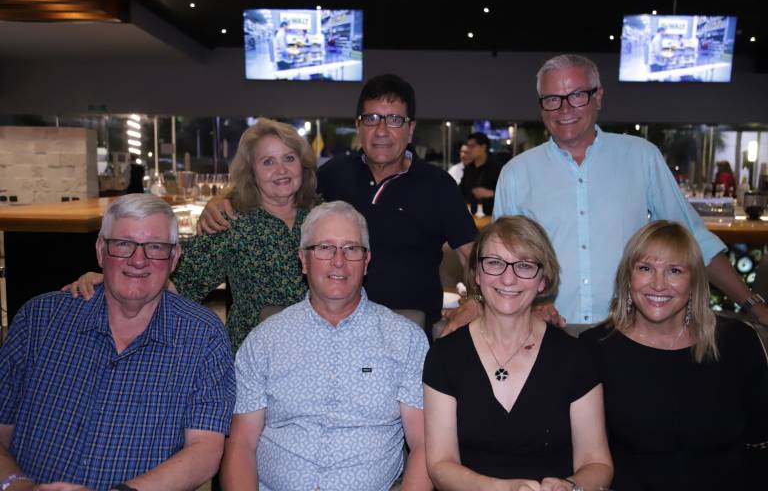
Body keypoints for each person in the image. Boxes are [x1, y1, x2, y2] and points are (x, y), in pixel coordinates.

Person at [491, 53, 768, 327]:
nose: (564, 109)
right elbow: (499, 263)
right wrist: (535, 305)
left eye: (577, 95)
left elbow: (694, 241)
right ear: (541, 107)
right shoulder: (516, 173)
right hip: (546, 332)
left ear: (598, 96)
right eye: (552, 100)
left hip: (629, 331)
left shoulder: (641, 157)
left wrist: (752, 304)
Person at [199, 74, 477, 330]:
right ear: (358, 126)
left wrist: (478, 301)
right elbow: (280, 186)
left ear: (411, 128)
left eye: (394, 120)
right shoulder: (334, 174)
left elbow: (473, 254)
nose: (381, 130)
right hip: (335, 333)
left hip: (410, 333)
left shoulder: (438, 185)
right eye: (372, 119)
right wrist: (224, 198)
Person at [0, 194, 235, 491]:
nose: (139, 260)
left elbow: (205, 451)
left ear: (174, 258)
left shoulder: (202, 336)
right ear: (101, 250)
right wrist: (19, 486)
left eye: (155, 247)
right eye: (124, 244)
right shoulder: (40, 319)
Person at [220, 201, 431, 491]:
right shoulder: (264, 341)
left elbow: (423, 445)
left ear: (367, 260)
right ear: (303, 260)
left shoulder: (405, 340)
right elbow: (241, 443)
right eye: (325, 248)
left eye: (351, 249)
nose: (338, 261)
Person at [66, 118, 318, 350]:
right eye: (268, 162)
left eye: (289, 158)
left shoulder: (321, 218)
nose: (281, 170)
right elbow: (181, 284)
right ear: (251, 173)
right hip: (256, 357)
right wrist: (115, 280)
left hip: (318, 350)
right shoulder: (230, 222)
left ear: (302, 164)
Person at [423, 216, 612, 490]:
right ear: (477, 274)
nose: (508, 278)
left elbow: (598, 464)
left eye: (524, 265)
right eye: (495, 263)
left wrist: (570, 486)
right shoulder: (445, 356)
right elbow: (440, 465)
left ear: (543, 280)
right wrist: (505, 489)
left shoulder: (575, 357)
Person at [580, 221, 768, 490]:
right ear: (628, 278)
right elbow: (585, 459)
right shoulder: (596, 348)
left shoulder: (737, 341)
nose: (658, 284)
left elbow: (760, 444)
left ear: (693, 283)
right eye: (645, 268)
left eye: (675, 271)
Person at [459, 132, 502, 216]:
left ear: (483, 147)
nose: (469, 149)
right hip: (470, 216)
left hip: (492, 217)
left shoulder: (496, 168)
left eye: (472, 146)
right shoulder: (468, 169)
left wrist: (491, 193)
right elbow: (461, 191)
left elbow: (506, 193)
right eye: (468, 146)